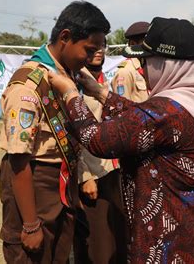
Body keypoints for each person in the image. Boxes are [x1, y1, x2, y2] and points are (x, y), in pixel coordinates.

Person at [50, 17, 194, 263]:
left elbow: (98, 139)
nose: (143, 69)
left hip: (176, 239)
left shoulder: (168, 110)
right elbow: (142, 120)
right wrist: (101, 92)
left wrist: (71, 93)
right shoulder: (192, 101)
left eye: (147, 61)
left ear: (169, 64)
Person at [0, 0, 110, 263]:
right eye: (88, 49)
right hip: (35, 182)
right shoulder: (28, 86)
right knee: (31, 255)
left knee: (59, 254)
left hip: (62, 181)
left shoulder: (70, 77)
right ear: (65, 38)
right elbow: (18, 159)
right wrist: (30, 225)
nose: (92, 57)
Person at [74, 41, 127, 264]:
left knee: (118, 237)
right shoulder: (74, 82)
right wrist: (84, 176)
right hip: (93, 173)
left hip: (113, 169)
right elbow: (71, 134)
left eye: (102, 46)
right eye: (92, 47)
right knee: (99, 245)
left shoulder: (104, 80)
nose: (99, 51)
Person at [111, 21, 149, 102]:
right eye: (146, 43)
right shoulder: (125, 72)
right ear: (133, 44)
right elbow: (122, 108)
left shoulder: (147, 67)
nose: (150, 47)